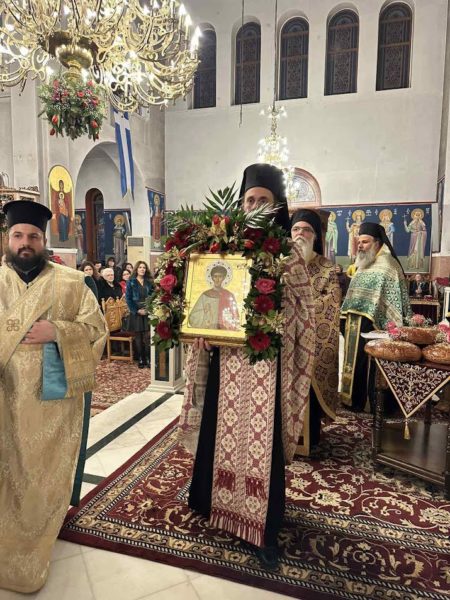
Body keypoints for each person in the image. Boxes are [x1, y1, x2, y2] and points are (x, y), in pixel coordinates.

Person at [178, 163, 315, 569]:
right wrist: (203, 331)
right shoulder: (224, 247)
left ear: (278, 207)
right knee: (215, 429)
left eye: (263, 201)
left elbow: (302, 312)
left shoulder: (288, 254)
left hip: (265, 369)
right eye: (249, 200)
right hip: (224, 362)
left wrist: (274, 323)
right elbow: (204, 298)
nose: (255, 207)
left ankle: (261, 527)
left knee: (260, 445)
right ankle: (207, 499)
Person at [0, 200, 107, 594]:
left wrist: (58, 332)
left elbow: (97, 331)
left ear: (44, 240)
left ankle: (37, 537)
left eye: (33, 236)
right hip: (4, 398)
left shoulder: (72, 283)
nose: (25, 243)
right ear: (7, 238)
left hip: (51, 403)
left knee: (39, 476)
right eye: (18, 235)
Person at [340, 222, 411, 412]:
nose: (360, 246)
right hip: (355, 323)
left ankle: (375, 405)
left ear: (378, 243)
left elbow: (392, 301)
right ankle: (353, 400)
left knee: (374, 365)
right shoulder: (363, 264)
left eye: (365, 242)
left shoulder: (388, 265)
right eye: (359, 242)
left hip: (376, 326)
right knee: (355, 363)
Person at [291, 209, 341, 454]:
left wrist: (297, 311)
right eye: (296, 229)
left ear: (316, 236)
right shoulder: (280, 264)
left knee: (309, 392)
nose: (301, 234)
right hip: (286, 340)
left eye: (307, 230)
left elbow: (331, 304)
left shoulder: (327, 268)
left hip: (312, 342)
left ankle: (308, 441)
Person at [188, 263, 240, 330]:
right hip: (208, 329)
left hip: (224, 331)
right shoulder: (205, 295)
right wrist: (204, 311)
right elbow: (193, 317)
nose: (217, 279)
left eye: (220, 276)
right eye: (215, 276)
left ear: (224, 278)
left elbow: (235, 317)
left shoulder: (229, 295)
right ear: (212, 277)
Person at [125, 261, 153, 368]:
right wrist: (136, 310)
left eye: (144, 267)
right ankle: (141, 359)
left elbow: (154, 297)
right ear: (136, 269)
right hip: (136, 312)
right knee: (138, 337)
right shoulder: (131, 282)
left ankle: (149, 358)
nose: (142, 269)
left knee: (147, 337)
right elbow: (128, 299)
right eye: (140, 267)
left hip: (147, 311)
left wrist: (148, 309)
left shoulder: (149, 282)